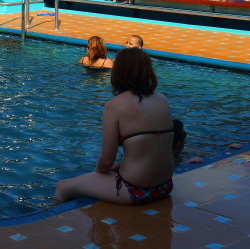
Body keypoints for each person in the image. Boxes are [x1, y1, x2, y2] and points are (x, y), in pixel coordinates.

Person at [54, 48, 175, 206]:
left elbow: (106, 160)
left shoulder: (114, 105)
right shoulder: (162, 99)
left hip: (136, 190)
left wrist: (98, 173)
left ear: (119, 72)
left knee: (62, 187)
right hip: (165, 186)